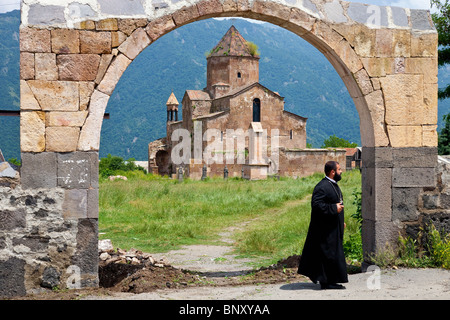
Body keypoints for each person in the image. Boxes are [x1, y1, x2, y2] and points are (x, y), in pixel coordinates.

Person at [297, 161, 348, 289]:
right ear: (332, 172)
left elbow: (337, 203)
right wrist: (333, 208)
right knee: (327, 255)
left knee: (334, 254)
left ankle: (331, 280)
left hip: (333, 227)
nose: (341, 171)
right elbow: (317, 205)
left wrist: (341, 222)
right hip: (325, 230)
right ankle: (326, 282)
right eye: (339, 169)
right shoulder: (322, 186)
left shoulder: (332, 185)